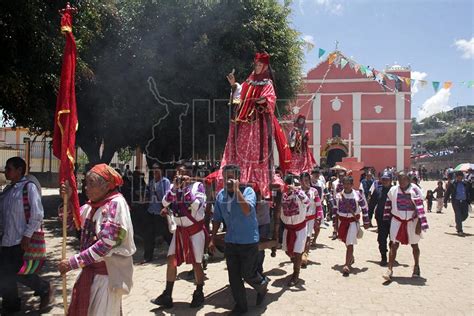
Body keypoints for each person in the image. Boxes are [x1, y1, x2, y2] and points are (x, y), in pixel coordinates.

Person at [59, 164, 136, 315]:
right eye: (85, 183)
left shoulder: (116, 204)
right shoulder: (91, 206)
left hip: (107, 278)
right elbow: (69, 223)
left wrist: (73, 263)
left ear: (106, 186)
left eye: (91, 184)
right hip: (91, 274)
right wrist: (67, 200)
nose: (86, 188)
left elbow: (105, 244)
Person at [219, 52, 291, 199]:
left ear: (265, 67)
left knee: (255, 150)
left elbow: (270, 99)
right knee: (241, 147)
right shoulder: (249, 81)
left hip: (257, 124)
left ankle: (253, 175)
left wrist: (259, 100)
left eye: (260, 65)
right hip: (244, 122)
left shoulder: (267, 83)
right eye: (256, 65)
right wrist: (233, 85)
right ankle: (239, 172)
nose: (257, 67)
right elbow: (239, 93)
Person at [209, 164, 269, 314]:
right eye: (225, 177)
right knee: (234, 277)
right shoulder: (220, 195)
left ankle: (262, 284)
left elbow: (247, 210)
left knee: (248, 274)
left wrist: (236, 191)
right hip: (231, 241)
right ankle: (241, 306)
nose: (227, 181)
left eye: (231, 177)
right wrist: (213, 237)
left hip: (248, 240)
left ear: (237, 178)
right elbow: (216, 218)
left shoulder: (248, 191)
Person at [0, 157, 53, 314]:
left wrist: (27, 236)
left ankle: (43, 288)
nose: (5, 171)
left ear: (19, 170)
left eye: (9, 168)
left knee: (19, 272)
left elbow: (37, 214)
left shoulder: (28, 187)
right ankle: (11, 303)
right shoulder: (8, 191)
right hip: (6, 239)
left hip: (20, 239)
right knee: (4, 273)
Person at [152, 164, 207, 308]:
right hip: (180, 231)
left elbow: (196, 206)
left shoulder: (198, 187)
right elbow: (164, 202)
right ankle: (167, 295)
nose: (179, 176)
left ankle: (199, 293)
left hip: (194, 231)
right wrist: (176, 189)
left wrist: (185, 190)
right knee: (171, 260)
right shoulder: (173, 187)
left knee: (196, 263)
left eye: (183, 173)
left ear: (190, 174)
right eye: (178, 173)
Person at [383, 172, 429, 281]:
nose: (401, 182)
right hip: (397, 221)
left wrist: (419, 223)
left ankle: (416, 267)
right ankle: (389, 269)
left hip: (411, 222)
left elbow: (420, 206)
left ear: (408, 180)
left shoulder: (415, 190)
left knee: (414, 245)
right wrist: (386, 217)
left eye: (404, 179)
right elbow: (388, 203)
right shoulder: (393, 190)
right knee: (393, 245)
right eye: (399, 180)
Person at [333, 176, 370, 276]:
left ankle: (346, 265)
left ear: (352, 184)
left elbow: (364, 208)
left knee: (350, 243)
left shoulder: (357, 195)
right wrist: (334, 224)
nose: (347, 186)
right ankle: (351, 257)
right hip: (342, 222)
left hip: (353, 222)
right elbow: (335, 210)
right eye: (345, 183)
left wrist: (366, 221)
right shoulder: (338, 196)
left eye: (349, 183)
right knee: (345, 241)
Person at [280, 174, 310, 285]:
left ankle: (295, 275)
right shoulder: (282, 195)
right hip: (288, 228)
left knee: (297, 252)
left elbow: (307, 202)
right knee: (288, 252)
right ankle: (297, 262)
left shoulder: (300, 194)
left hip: (300, 228)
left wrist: (296, 191)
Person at [141, 163, 172, 264]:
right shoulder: (151, 182)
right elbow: (149, 194)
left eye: (157, 169)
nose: (155, 171)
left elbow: (168, 196)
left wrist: (166, 208)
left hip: (161, 212)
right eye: (153, 169)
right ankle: (148, 256)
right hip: (151, 211)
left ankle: (176, 251)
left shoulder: (165, 182)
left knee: (167, 234)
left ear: (161, 170)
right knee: (148, 234)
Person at [368, 172, 393, 266]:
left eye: (387, 179)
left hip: (393, 219)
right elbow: (372, 204)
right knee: (381, 238)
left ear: (391, 180)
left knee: (393, 239)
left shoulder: (395, 190)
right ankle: (383, 256)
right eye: (383, 179)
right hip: (381, 218)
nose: (385, 181)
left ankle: (392, 252)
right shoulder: (378, 190)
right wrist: (368, 218)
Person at [300, 172, 323, 268]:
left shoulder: (314, 191)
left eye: (308, 180)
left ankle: (305, 255)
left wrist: (319, 218)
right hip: (299, 219)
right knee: (300, 238)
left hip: (310, 218)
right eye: (304, 180)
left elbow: (318, 205)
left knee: (308, 237)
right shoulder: (297, 191)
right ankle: (299, 254)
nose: (307, 182)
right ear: (300, 181)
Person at [444, 171, 471, 236]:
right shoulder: (452, 183)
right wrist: (445, 202)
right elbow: (447, 193)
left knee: (465, 215)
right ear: (456, 177)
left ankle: (458, 222)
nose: (460, 178)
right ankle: (460, 230)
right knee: (458, 215)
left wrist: (469, 200)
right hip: (456, 202)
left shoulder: (466, 183)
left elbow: (469, 192)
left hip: (464, 201)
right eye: (458, 177)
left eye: (461, 177)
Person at [256, 193, 271, 275]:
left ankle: (259, 269)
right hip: (251, 223)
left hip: (263, 222)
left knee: (260, 248)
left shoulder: (267, 191)